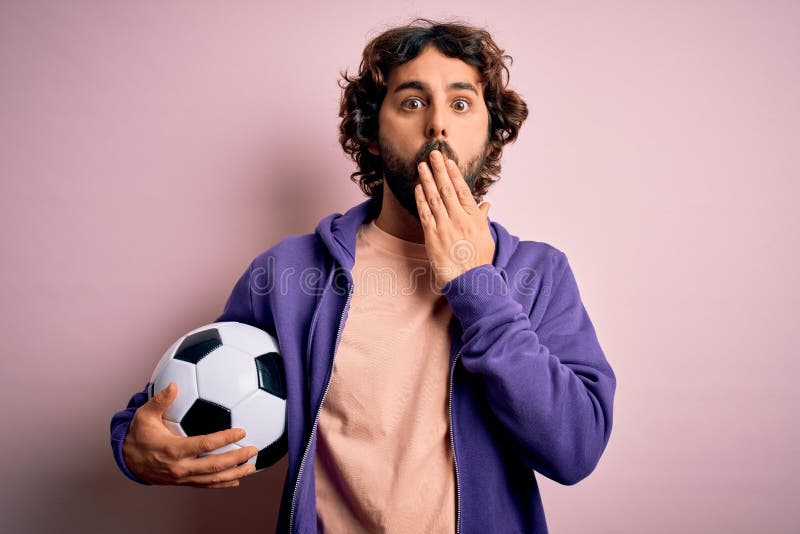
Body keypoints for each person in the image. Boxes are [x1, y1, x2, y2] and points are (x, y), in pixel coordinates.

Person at [110, 18, 617, 533]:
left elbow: (575, 451)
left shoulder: (538, 274)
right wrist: (132, 446)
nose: (437, 123)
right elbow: (179, 395)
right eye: (412, 102)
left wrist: (475, 283)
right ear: (373, 134)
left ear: (489, 137)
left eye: (461, 103)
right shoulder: (289, 273)